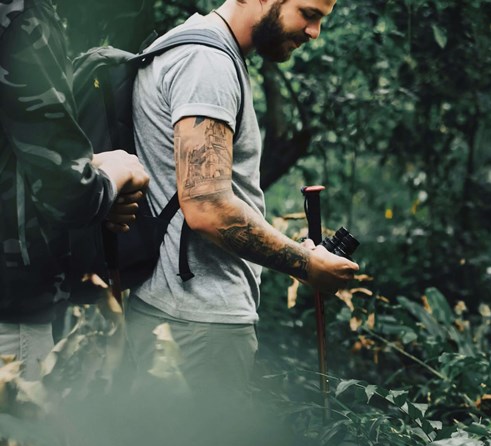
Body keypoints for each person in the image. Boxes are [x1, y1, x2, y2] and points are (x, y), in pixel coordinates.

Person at [126, 0, 356, 396]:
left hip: (177, 313)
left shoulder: (197, 48)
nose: (314, 32)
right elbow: (207, 207)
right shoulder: (207, 63)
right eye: (308, 13)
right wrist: (306, 264)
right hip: (198, 322)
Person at [1, 0, 150, 380]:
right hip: (11, 312)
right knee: (23, 437)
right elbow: (65, 194)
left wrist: (89, 165)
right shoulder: (23, 19)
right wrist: (113, 176)